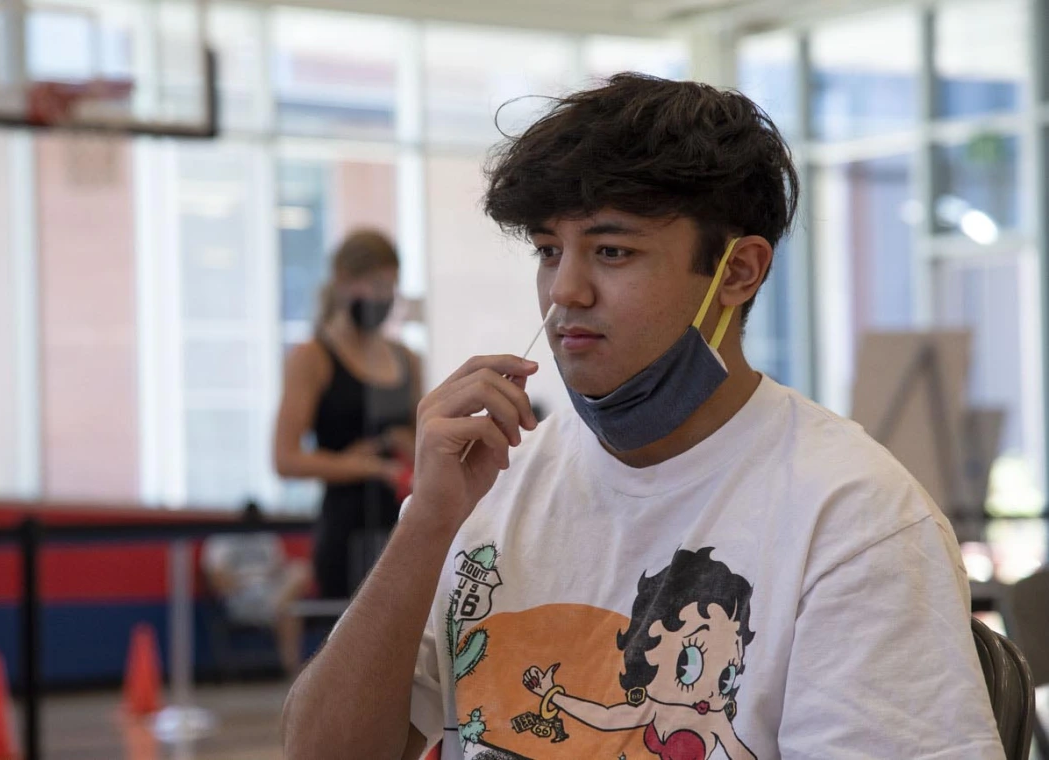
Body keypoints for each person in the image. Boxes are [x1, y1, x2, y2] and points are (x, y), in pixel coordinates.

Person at [281, 75, 1004, 760]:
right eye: (547, 251)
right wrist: (426, 527)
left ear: (740, 272)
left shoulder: (852, 519)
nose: (565, 292)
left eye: (612, 251)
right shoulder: (490, 484)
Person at [274, 229, 420, 601]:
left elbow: (427, 447)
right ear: (343, 283)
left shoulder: (407, 358)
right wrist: (369, 467)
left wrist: (406, 445)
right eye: (375, 285)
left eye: (391, 286)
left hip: (403, 524)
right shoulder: (313, 358)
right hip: (346, 529)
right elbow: (286, 459)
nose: (383, 297)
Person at [201, 528, 311, 677]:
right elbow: (217, 579)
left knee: (300, 570)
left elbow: (279, 567)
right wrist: (247, 583)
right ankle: (274, 611)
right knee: (288, 609)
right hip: (240, 596)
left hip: (271, 592)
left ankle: (273, 610)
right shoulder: (220, 539)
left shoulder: (266, 535)